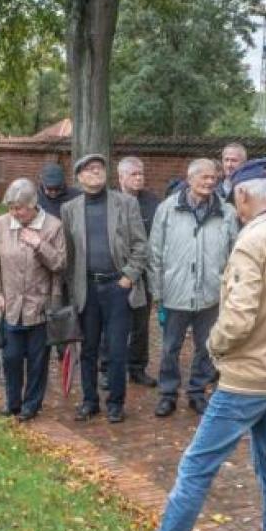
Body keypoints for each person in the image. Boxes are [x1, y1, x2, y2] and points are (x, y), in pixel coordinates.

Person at [117, 158, 266, 531]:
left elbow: (239, 316)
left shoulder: (252, 242)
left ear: (243, 195)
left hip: (246, 382)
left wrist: (216, 349)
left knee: (196, 468)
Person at [61, 153, 148, 424]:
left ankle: (116, 403)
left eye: (99, 168)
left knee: (117, 349)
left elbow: (141, 245)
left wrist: (128, 277)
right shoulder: (69, 209)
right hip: (86, 287)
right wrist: (71, 290)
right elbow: (69, 253)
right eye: (89, 169)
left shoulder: (126, 203)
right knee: (87, 349)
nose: (95, 172)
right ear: (79, 177)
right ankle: (89, 401)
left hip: (117, 287)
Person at [148, 158, 238, 417]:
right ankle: (168, 394)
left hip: (211, 294)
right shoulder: (167, 209)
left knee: (206, 347)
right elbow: (155, 252)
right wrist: (158, 292)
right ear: (190, 179)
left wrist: (228, 290)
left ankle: (197, 392)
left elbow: (234, 253)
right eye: (204, 177)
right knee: (169, 348)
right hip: (175, 292)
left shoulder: (227, 212)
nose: (210, 182)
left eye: (213, 178)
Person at [0, 178, 66, 421]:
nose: (14, 213)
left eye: (19, 208)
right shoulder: (0, 225)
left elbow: (61, 264)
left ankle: (31, 405)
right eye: (10, 208)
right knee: (10, 358)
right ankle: (13, 402)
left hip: (40, 306)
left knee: (37, 361)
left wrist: (39, 245)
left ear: (33, 204)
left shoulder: (53, 226)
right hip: (9, 306)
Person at [117, 156, 159, 387]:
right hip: (116, 272)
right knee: (112, 323)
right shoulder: (111, 201)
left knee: (141, 325)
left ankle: (137, 368)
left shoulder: (153, 202)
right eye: (134, 174)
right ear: (121, 177)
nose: (139, 178)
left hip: (144, 272)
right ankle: (108, 368)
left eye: (141, 173)